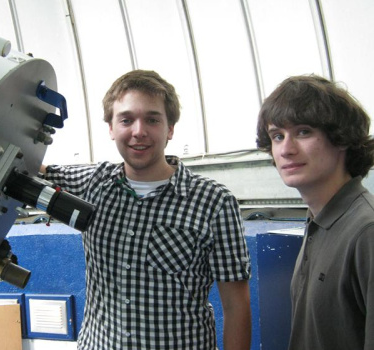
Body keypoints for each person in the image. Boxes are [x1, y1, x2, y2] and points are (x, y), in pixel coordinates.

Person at [40, 69, 252, 349]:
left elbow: (237, 307)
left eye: (152, 119)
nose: (138, 131)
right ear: (111, 128)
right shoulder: (92, 183)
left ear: (170, 129)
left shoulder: (214, 202)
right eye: (126, 120)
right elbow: (26, 170)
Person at [256, 74, 374, 350]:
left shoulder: (366, 231)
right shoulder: (318, 221)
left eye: (303, 132)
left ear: (341, 138)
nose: (286, 149)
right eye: (277, 136)